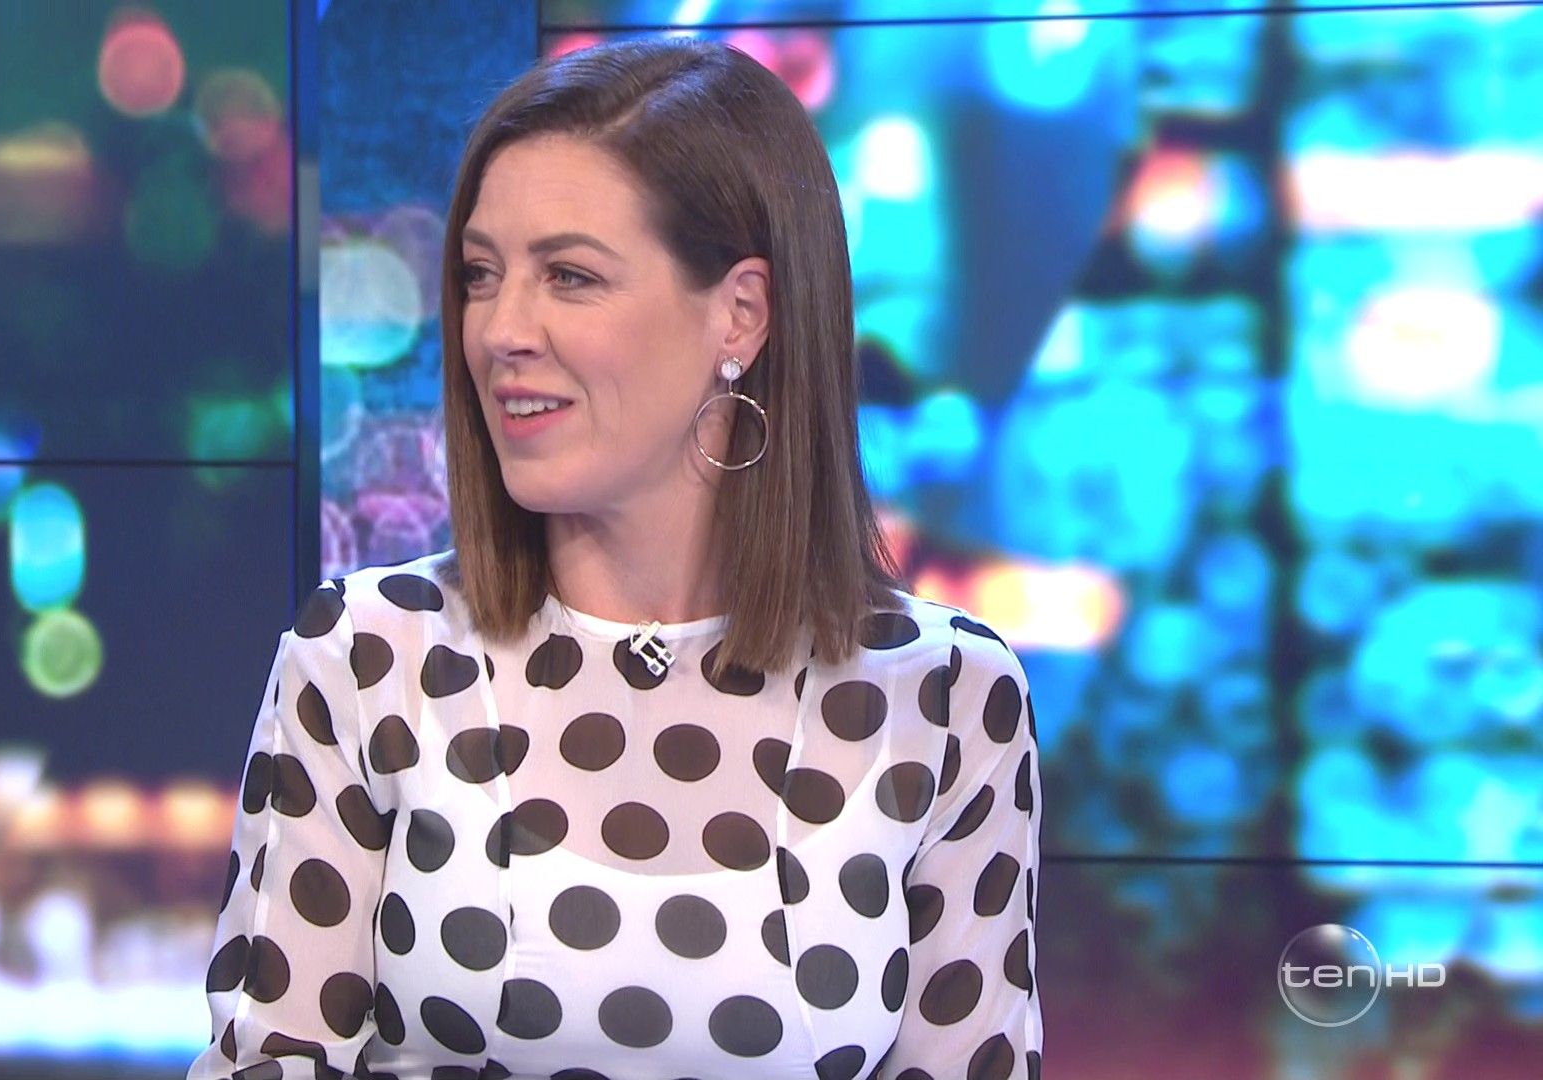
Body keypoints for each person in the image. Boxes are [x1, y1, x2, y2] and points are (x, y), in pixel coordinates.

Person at [188, 36, 1042, 1080]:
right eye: (481, 275)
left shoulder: (947, 698)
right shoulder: (366, 661)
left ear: (742, 315)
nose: (500, 330)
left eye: (570, 276)